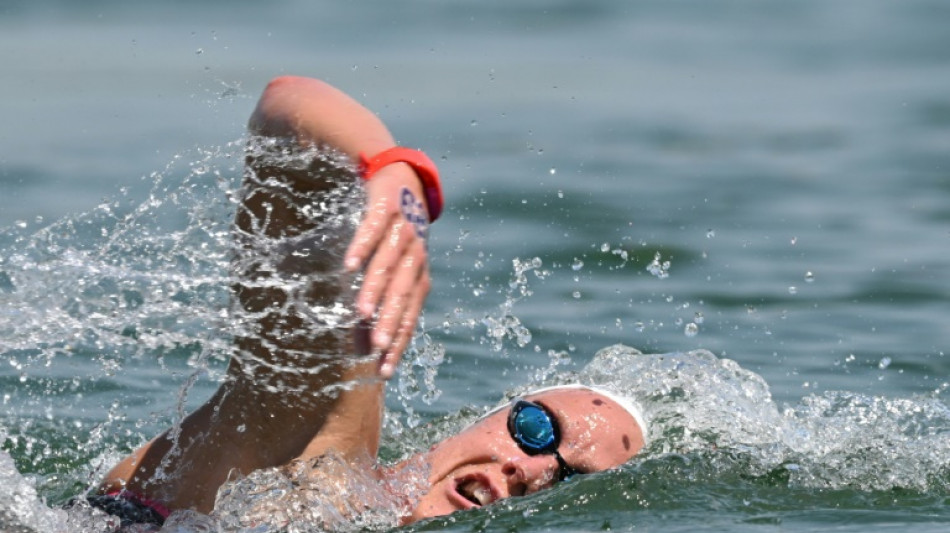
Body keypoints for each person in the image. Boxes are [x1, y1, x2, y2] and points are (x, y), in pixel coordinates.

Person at [90, 76, 647, 528]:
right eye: (537, 430)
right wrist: (395, 170)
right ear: (492, 416)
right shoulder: (318, 455)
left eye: (571, 478)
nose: (532, 471)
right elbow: (286, 107)